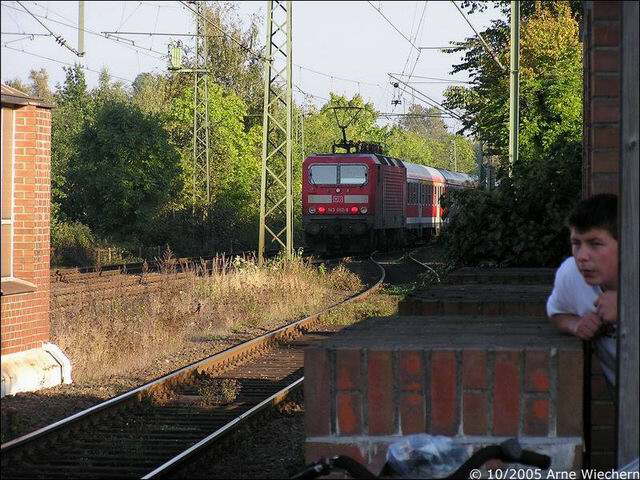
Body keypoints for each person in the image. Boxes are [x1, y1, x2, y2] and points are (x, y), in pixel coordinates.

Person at [546, 193, 618, 386]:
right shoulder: (571, 274)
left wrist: (629, 305)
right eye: (576, 243)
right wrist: (576, 325)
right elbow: (556, 313)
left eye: (595, 244)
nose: (582, 256)